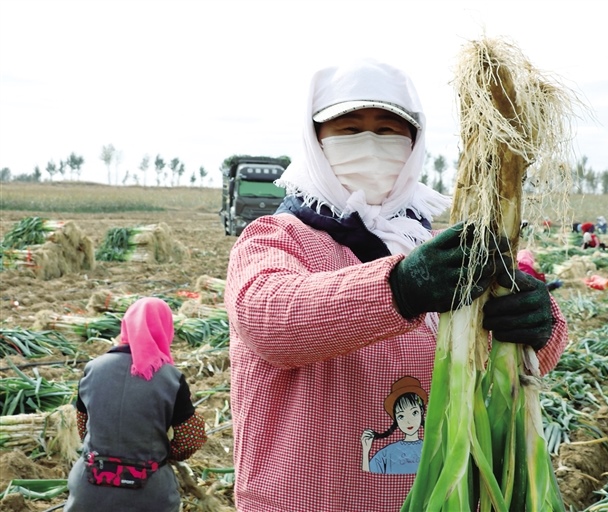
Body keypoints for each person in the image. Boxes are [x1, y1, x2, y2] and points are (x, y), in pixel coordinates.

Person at [224, 59, 569, 512]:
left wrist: (540, 328)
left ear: (413, 144)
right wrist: (400, 288)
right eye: (349, 129)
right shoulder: (277, 238)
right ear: (316, 141)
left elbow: (495, 354)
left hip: (432, 499)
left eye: (388, 130)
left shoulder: (431, 248)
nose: (370, 143)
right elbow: (269, 320)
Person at [64, 297, 207, 512]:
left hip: (90, 490)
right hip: (149, 493)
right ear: (165, 329)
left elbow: (83, 427)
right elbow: (191, 438)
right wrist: (167, 454)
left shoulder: (93, 369)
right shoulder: (171, 379)